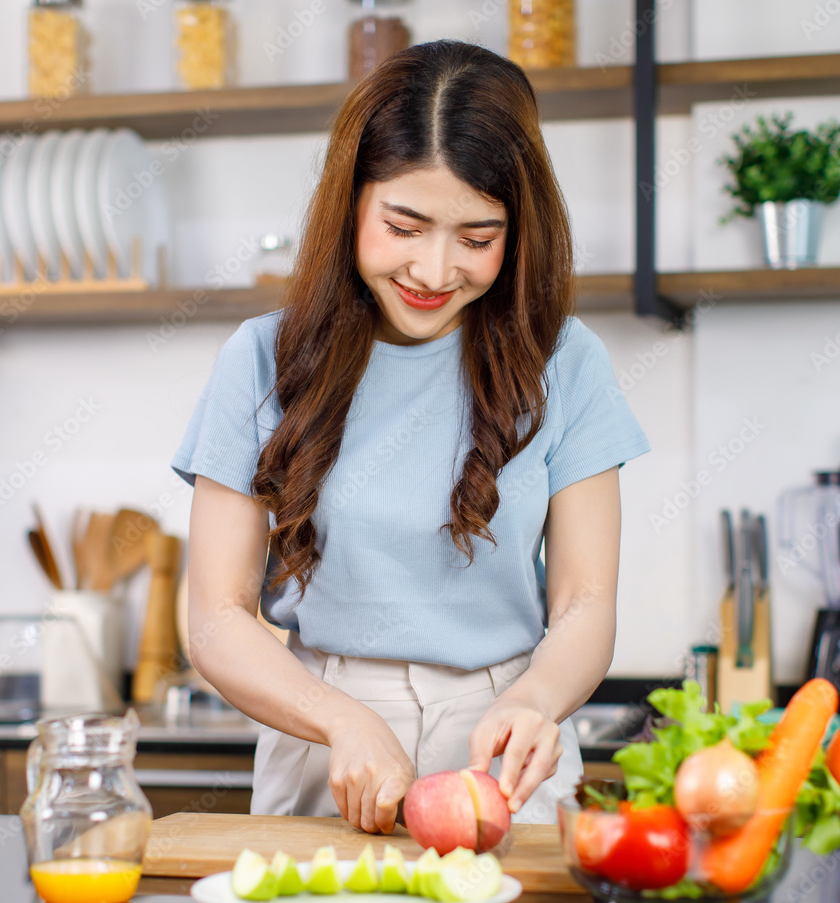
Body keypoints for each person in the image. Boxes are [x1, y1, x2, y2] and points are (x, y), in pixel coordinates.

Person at [172, 39, 649, 836]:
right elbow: (216, 618)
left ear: (519, 230)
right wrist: (342, 722)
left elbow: (585, 602)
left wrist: (535, 700)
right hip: (327, 738)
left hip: (503, 745)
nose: (434, 269)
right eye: (405, 225)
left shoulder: (567, 361)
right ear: (351, 201)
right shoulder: (263, 359)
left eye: (477, 237)